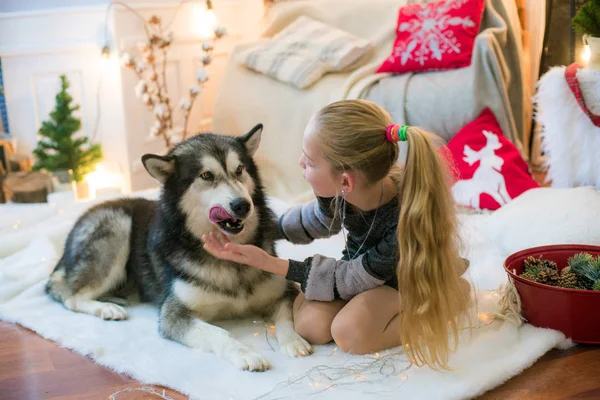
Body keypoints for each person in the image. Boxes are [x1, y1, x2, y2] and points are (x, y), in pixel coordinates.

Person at [203, 99, 471, 369]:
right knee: (310, 326)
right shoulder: (343, 192)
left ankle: (446, 298)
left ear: (345, 181)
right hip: (361, 272)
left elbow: (350, 278)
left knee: (350, 333)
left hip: (401, 281)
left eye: (308, 162)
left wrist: (267, 262)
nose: (299, 163)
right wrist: (256, 228)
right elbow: (316, 221)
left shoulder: (403, 223)